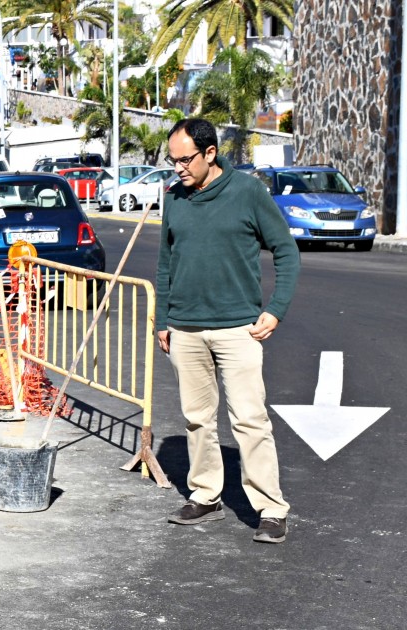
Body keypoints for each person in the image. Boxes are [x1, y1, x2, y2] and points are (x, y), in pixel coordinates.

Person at [156, 118, 300, 544]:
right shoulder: (175, 199)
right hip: (185, 330)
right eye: (173, 159)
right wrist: (163, 320)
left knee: (250, 421)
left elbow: (286, 251)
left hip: (239, 330)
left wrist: (275, 310)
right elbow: (166, 264)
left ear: (210, 153)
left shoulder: (248, 192)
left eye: (185, 159)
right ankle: (206, 495)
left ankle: (271, 509)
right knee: (197, 420)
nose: (178, 167)